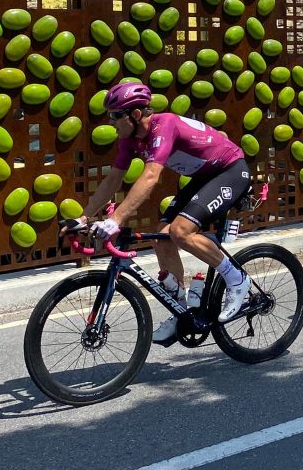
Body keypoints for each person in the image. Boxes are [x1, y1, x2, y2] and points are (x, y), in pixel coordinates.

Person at [75, 82, 254, 344]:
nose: (110, 122)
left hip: (230, 170)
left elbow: (150, 177)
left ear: (136, 114)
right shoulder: (130, 140)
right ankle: (180, 308)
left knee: (181, 231)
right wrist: (84, 218)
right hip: (204, 177)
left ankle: (237, 279)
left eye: (115, 115)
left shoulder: (164, 125)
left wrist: (115, 220)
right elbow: (113, 179)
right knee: (163, 236)